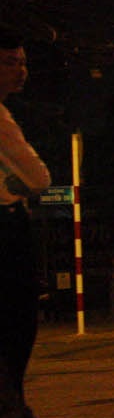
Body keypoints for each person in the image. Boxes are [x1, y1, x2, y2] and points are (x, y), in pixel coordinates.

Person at [0, 34, 51, 392]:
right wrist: (19, 186)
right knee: (16, 321)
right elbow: (39, 177)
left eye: (23, 62)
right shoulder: (2, 119)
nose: (21, 71)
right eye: (9, 62)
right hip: (7, 226)